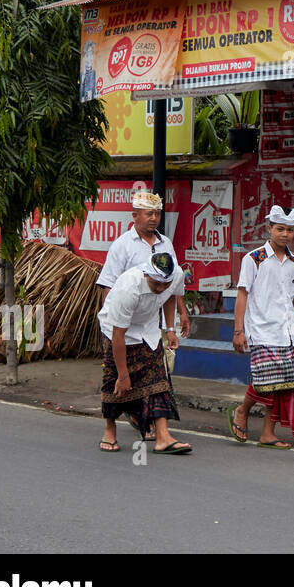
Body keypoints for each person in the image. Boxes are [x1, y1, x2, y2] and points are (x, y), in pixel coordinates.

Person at [228, 205, 294, 449]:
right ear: (269, 229)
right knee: (264, 380)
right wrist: (238, 330)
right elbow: (242, 294)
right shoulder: (253, 259)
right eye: (280, 229)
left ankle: (268, 433)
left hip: (287, 333)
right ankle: (242, 410)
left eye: (289, 230)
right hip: (261, 330)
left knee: (281, 386)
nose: (285, 234)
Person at [97, 251, 191, 455]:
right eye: (156, 283)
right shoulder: (128, 287)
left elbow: (169, 298)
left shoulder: (175, 277)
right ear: (146, 274)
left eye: (164, 284)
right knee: (114, 380)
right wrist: (123, 375)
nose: (160, 289)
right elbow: (118, 336)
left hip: (148, 330)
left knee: (158, 380)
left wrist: (170, 329)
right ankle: (109, 431)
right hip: (116, 331)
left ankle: (163, 436)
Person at [97, 189, 190, 337]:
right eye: (149, 214)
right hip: (126, 322)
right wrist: (111, 329)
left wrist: (179, 316)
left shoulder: (165, 243)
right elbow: (109, 286)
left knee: (161, 359)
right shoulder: (122, 245)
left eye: (157, 213)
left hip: (154, 323)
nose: (154, 218)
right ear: (135, 216)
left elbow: (172, 284)